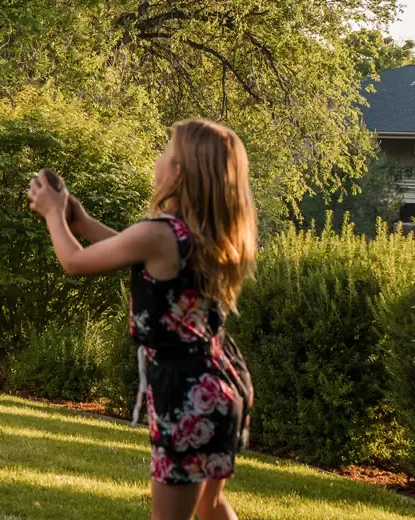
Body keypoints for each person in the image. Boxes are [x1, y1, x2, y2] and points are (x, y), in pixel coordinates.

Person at [26, 119, 257, 520]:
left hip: (186, 392)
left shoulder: (161, 232)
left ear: (180, 170)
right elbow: (134, 252)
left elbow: (75, 262)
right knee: (211, 505)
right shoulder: (201, 233)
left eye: (165, 151)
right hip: (220, 382)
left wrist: (52, 215)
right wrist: (77, 221)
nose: (157, 160)